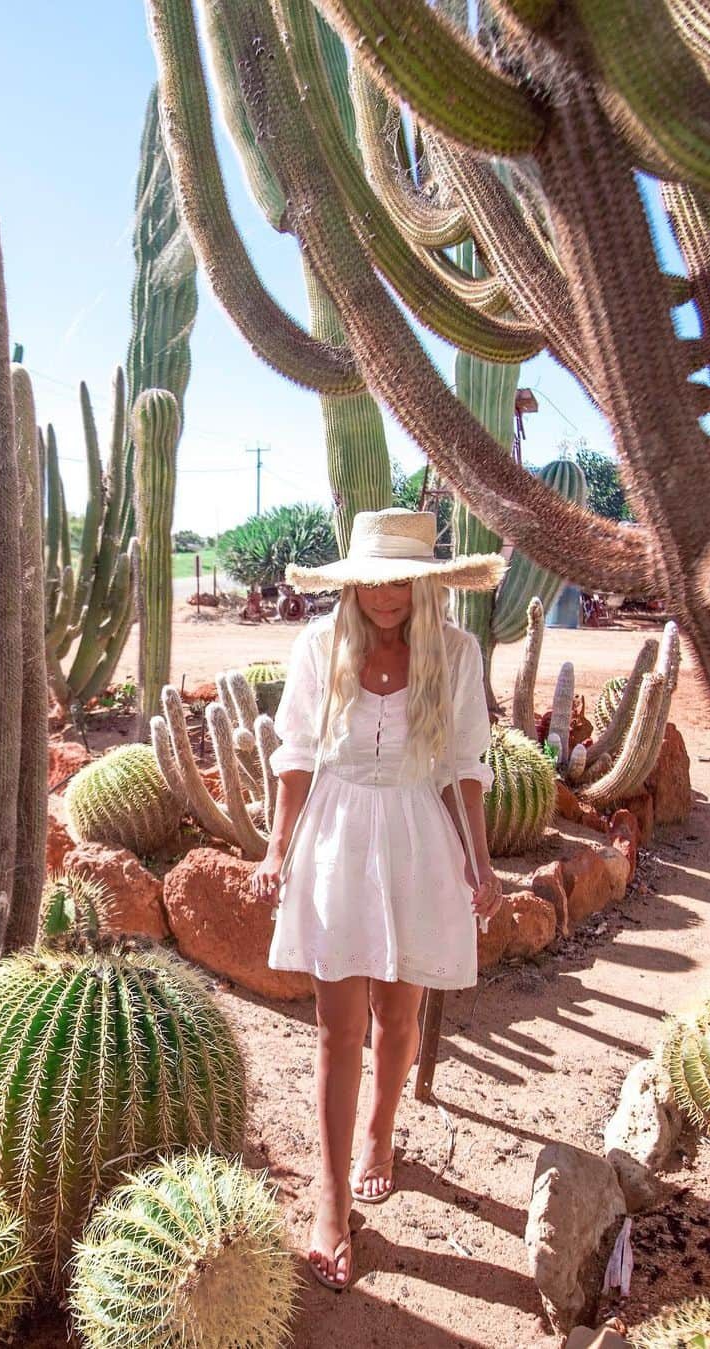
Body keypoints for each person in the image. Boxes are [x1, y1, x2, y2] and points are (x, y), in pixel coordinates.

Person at [249, 507, 507, 1292]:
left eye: (402, 581)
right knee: (337, 1026)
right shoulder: (317, 647)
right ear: (353, 583)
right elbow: (295, 756)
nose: (387, 596)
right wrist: (275, 846)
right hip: (335, 833)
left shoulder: (456, 653)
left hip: (416, 838)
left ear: (425, 584)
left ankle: (379, 1133)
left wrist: (482, 862)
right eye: (374, 582)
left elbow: (466, 762)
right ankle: (330, 1197)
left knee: (399, 1013)